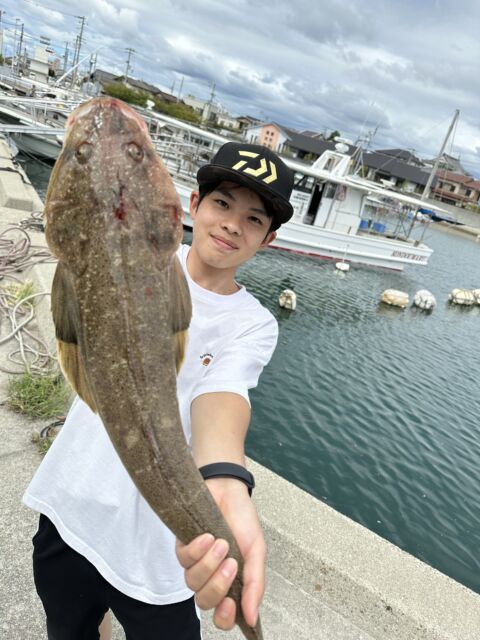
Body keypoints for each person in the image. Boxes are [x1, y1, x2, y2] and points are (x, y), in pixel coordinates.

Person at [23, 141, 295, 639]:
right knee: (68, 629)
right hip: (74, 506)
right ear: (193, 204)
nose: (233, 224)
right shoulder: (135, 261)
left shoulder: (254, 324)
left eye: (254, 219)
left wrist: (226, 476)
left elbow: (222, 395)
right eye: (222, 203)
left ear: (268, 238)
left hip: (159, 549)